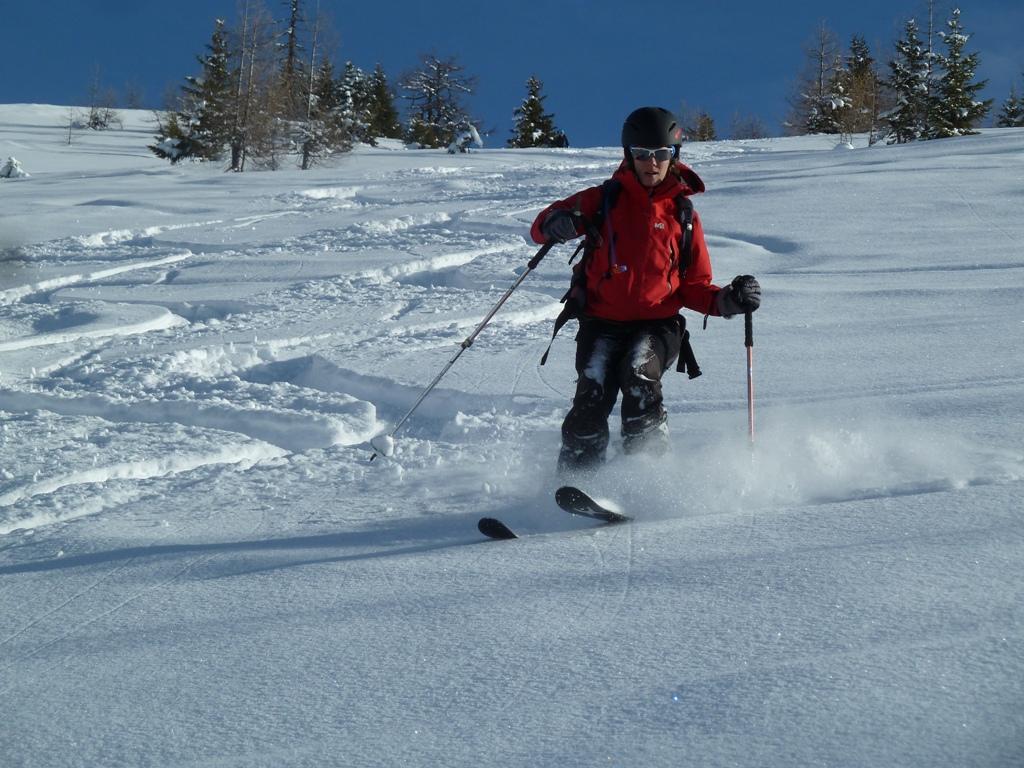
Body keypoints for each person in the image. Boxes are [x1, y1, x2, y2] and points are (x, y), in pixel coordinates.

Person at [530, 106, 761, 473]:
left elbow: (694, 286)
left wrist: (728, 300)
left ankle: (647, 478)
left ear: (674, 155)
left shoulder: (683, 216)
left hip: (657, 325)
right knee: (592, 393)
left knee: (639, 378)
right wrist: (555, 223)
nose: (651, 163)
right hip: (601, 323)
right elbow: (540, 226)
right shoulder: (603, 199)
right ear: (628, 155)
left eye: (661, 153)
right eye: (641, 154)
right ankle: (577, 481)